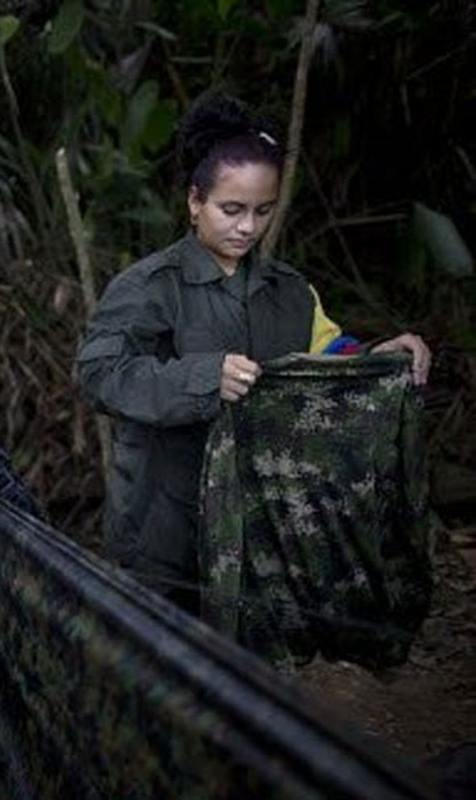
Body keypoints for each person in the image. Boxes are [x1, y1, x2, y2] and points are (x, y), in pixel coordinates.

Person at [75, 93, 431, 610]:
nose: (247, 227)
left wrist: (382, 359)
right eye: (231, 209)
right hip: (161, 529)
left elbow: (326, 356)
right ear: (195, 201)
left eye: (263, 211)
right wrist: (202, 378)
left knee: (243, 668)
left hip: (259, 530)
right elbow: (99, 373)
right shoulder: (149, 287)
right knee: (164, 669)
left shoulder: (289, 291)